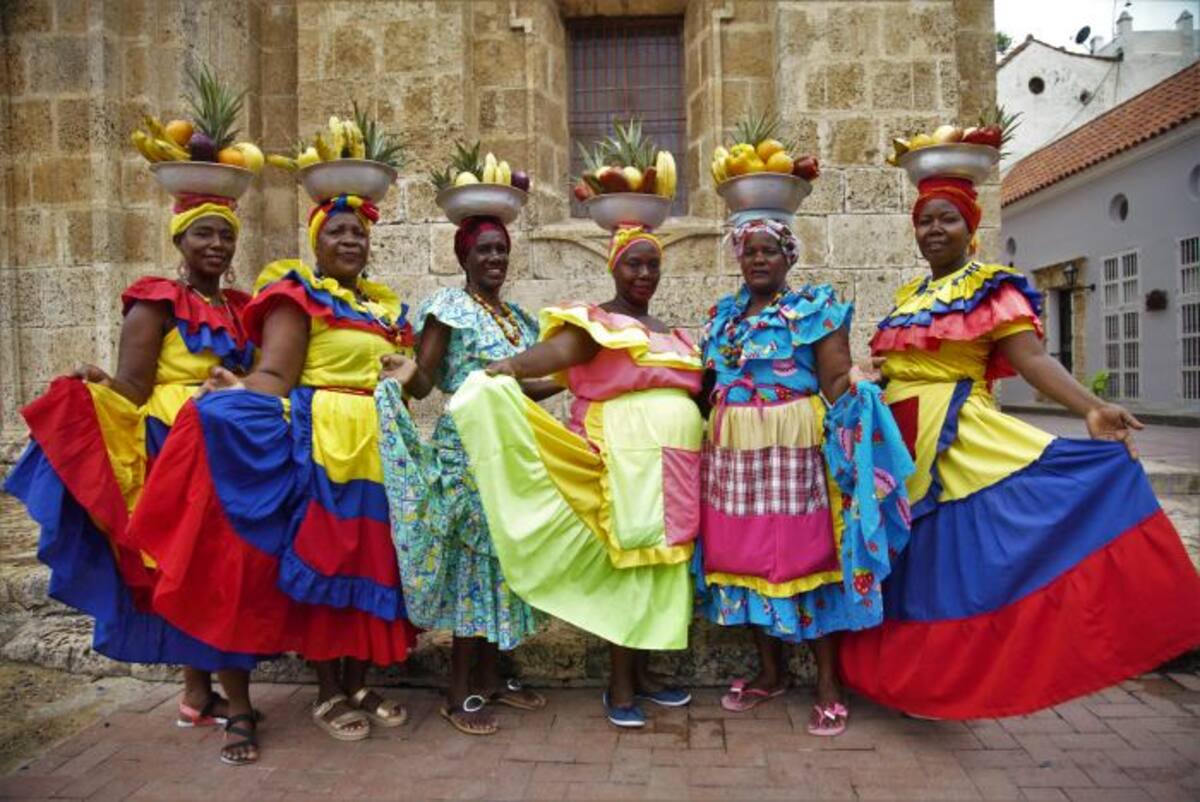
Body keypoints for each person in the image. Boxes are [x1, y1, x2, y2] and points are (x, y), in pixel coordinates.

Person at [839, 175, 1200, 718]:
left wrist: (1090, 408)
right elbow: (903, 363)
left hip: (958, 438)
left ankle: (947, 684)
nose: (934, 230)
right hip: (899, 443)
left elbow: (1031, 359)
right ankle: (901, 680)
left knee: (954, 562)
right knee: (910, 561)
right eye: (924, 221)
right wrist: (865, 372)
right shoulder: (910, 296)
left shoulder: (992, 286)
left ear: (971, 228)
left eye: (947, 219)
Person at [128, 193, 418, 747]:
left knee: (377, 560)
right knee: (329, 562)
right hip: (326, 444)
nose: (350, 241)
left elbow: (417, 383)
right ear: (316, 241)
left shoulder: (383, 309)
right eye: (336, 232)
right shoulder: (298, 295)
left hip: (380, 447)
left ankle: (359, 684)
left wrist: (413, 371)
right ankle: (328, 691)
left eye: (358, 232)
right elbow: (276, 375)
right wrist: (239, 392)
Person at [4, 195, 262, 765]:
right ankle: (239, 708)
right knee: (210, 572)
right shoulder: (156, 303)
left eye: (225, 235)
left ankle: (197, 695)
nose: (217, 245)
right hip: (176, 456)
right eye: (204, 236)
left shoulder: (241, 308)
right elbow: (131, 390)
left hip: (228, 451)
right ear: (179, 241)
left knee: (202, 571)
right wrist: (95, 384)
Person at [447, 226, 701, 728]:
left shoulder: (669, 330)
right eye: (634, 263)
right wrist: (509, 368)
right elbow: (558, 355)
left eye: (652, 264)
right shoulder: (599, 323)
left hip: (674, 461)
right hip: (628, 456)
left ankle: (646, 673)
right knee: (633, 559)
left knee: (667, 563)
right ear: (613, 267)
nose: (644, 273)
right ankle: (621, 685)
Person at [695, 217, 912, 736]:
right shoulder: (723, 318)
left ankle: (828, 686)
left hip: (795, 452)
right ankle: (771, 674)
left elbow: (835, 378)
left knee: (808, 557)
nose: (758, 260)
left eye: (770, 251)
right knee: (742, 558)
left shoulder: (812, 310)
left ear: (789, 257)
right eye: (750, 252)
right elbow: (705, 382)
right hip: (734, 456)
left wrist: (861, 389)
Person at [375, 216, 552, 735]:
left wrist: (572, 377)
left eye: (501, 250)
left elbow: (521, 386)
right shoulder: (449, 308)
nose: (495, 259)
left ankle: (493, 676)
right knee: (476, 565)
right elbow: (428, 379)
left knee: (503, 562)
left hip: (512, 450)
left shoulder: (516, 319)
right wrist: (406, 376)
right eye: (484, 251)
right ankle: (459, 693)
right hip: (470, 451)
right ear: (463, 258)